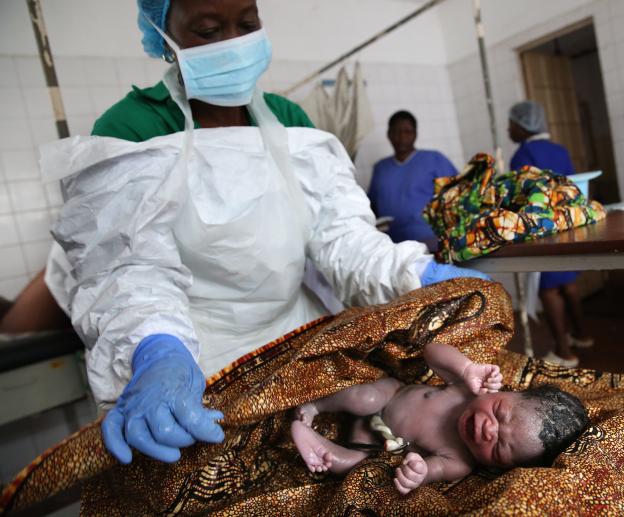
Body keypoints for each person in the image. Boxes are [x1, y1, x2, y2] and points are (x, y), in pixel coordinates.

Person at [43, 0, 489, 466]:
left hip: (298, 339)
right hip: (194, 359)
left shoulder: (289, 122)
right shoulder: (132, 129)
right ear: (165, 35)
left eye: (248, 24)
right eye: (210, 30)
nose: (234, 44)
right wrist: (155, 349)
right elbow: (128, 270)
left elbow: (342, 239)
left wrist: (414, 270)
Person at [291, 341, 588, 494]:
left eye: (498, 448)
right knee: (362, 398)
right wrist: (465, 367)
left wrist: (417, 472)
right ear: (507, 391)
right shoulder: (467, 390)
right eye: (498, 413)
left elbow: (429, 472)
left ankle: (318, 446)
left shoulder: (459, 461)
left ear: (499, 468)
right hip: (390, 395)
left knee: (358, 467)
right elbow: (432, 352)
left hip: (378, 442)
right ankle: (317, 407)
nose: (487, 430)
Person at [508, 101, 594, 368]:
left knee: (549, 290)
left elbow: (522, 197)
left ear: (523, 126)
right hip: (567, 223)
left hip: (542, 228)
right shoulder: (559, 149)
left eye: (511, 124)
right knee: (568, 284)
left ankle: (565, 352)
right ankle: (582, 335)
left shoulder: (523, 154)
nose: (508, 129)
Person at [367, 111, 458, 250]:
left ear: (415, 134)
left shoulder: (434, 159)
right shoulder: (380, 168)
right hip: (391, 245)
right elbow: (372, 206)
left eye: (407, 132)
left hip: (430, 240)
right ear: (389, 135)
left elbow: (458, 195)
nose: (402, 137)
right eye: (396, 132)